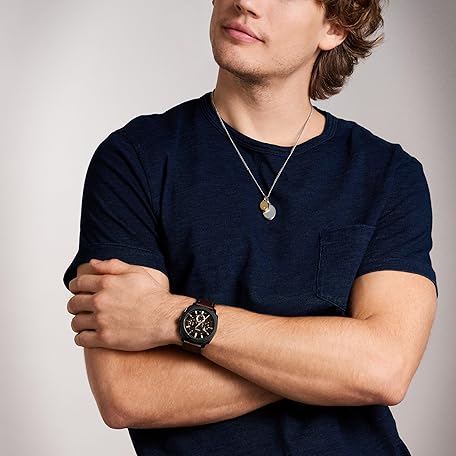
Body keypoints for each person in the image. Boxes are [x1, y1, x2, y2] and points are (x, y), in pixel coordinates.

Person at [63, 0, 439, 455]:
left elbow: (383, 369)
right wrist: (329, 361)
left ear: (335, 27)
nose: (246, 2)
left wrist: (171, 318)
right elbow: (127, 393)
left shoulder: (389, 174)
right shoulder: (135, 159)